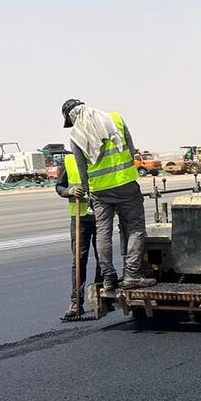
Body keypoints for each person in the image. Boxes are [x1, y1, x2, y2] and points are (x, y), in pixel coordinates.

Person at [61, 99, 155, 297]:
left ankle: (109, 278)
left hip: (100, 192)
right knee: (135, 228)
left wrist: (88, 191)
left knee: (104, 233)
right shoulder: (115, 119)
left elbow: (82, 170)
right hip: (126, 185)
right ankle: (131, 275)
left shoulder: (76, 136)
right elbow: (131, 150)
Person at [56, 152, 101, 318]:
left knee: (102, 258)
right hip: (79, 219)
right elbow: (59, 187)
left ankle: (100, 297)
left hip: (101, 217)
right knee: (78, 260)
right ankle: (76, 302)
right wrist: (69, 191)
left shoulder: (101, 157)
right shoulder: (69, 161)